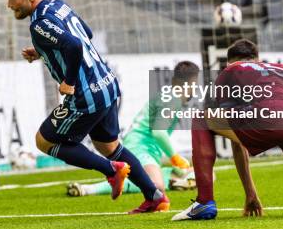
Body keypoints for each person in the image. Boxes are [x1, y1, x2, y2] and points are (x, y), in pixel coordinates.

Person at [5, 0, 169, 214]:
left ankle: (111, 170)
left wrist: (69, 81)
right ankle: (155, 196)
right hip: (107, 83)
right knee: (110, 146)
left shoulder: (39, 22)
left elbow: (73, 45)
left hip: (86, 94)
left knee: (45, 140)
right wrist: (43, 50)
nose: (9, 4)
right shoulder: (57, 5)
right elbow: (85, 34)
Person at [173, 39, 283, 221]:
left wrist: (250, 193)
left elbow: (236, 139)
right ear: (258, 58)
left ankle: (204, 202)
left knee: (202, 120)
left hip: (271, 116)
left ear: (229, 62)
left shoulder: (231, 70)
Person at [67, 61, 200, 197]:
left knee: (203, 175)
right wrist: (175, 157)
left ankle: (169, 180)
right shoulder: (174, 99)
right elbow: (159, 133)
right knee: (157, 187)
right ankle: (90, 189)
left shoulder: (169, 95)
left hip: (144, 147)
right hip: (140, 148)